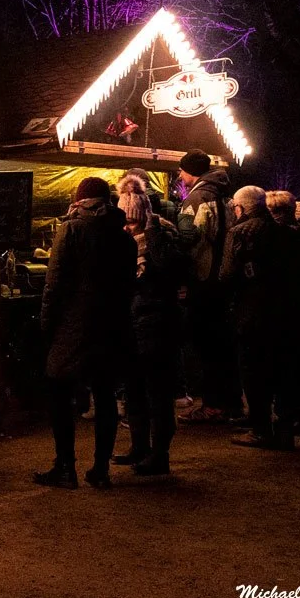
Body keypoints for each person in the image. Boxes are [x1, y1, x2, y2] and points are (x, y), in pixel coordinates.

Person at [33, 177, 136, 489]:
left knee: (59, 392)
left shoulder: (72, 230)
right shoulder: (124, 238)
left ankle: (65, 465)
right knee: (104, 395)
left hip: (73, 326)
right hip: (112, 326)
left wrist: (46, 326)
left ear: (79, 201)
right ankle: (101, 467)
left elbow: (54, 285)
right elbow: (127, 285)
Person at [223, 186, 300, 450]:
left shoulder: (239, 232)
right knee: (283, 370)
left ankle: (261, 428)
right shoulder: (289, 233)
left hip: (252, 312)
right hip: (285, 312)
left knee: (254, 371)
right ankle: (285, 430)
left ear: (240, 208)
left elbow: (227, 275)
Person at [113, 176, 184, 475]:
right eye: (125, 221)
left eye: (133, 221)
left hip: (157, 322)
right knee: (134, 391)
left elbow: (169, 268)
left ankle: (160, 453)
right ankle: (139, 446)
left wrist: (153, 231)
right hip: (132, 322)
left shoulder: (162, 236)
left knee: (157, 392)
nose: (128, 227)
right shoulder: (122, 242)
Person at [174, 150, 243, 424]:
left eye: (181, 170)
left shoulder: (196, 198)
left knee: (207, 345)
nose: (180, 176)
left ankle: (214, 405)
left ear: (191, 171)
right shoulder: (225, 196)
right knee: (223, 345)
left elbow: (188, 237)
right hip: (223, 280)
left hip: (203, 279)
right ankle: (232, 403)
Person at [268, 191, 300, 435]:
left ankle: (290, 418)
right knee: (298, 368)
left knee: (287, 367)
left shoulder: (283, 238)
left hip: (286, 310)